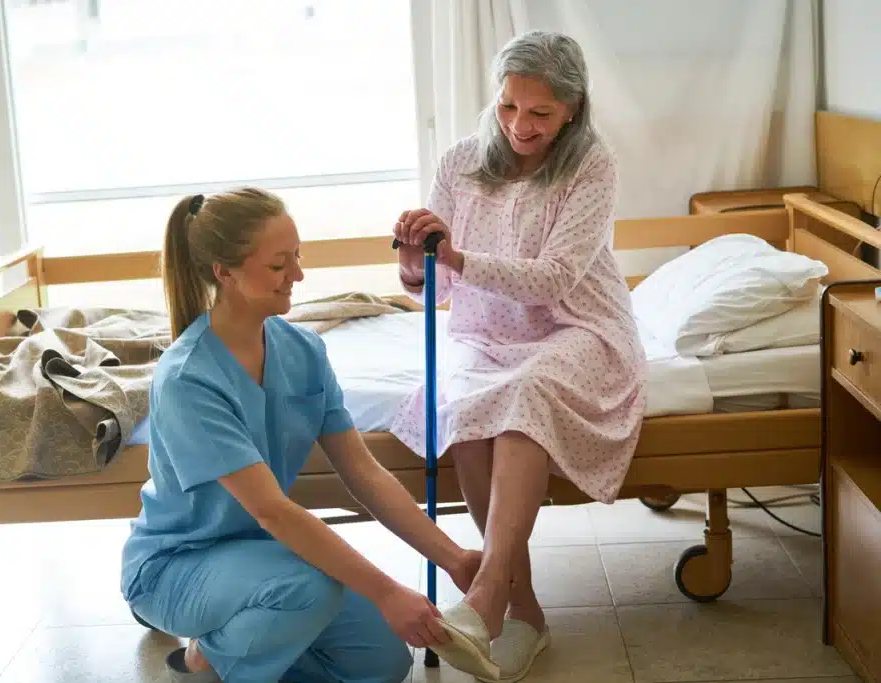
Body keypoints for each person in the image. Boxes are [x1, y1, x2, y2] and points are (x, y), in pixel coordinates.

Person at [120, 188, 486, 683]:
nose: (298, 275)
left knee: (382, 663)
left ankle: (240, 649)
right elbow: (273, 510)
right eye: (278, 265)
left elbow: (363, 472)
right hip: (178, 566)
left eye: (298, 256)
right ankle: (205, 655)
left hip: (267, 558)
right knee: (308, 589)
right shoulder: (189, 378)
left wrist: (454, 557)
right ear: (223, 273)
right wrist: (385, 591)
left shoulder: (303, 349)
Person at [391, 30, 647, 681]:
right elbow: (441, 286)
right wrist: (415, 262)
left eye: (539, 112)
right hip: (485, 333)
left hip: (579, 326)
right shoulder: (459, 163)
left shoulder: (592, 165)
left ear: (572, 108)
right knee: (472, 417)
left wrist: (458, 255)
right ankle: (523, 610)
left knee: (523, 394)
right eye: (509, 107)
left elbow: (557, 277)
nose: (519, 125)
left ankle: (486, 596)